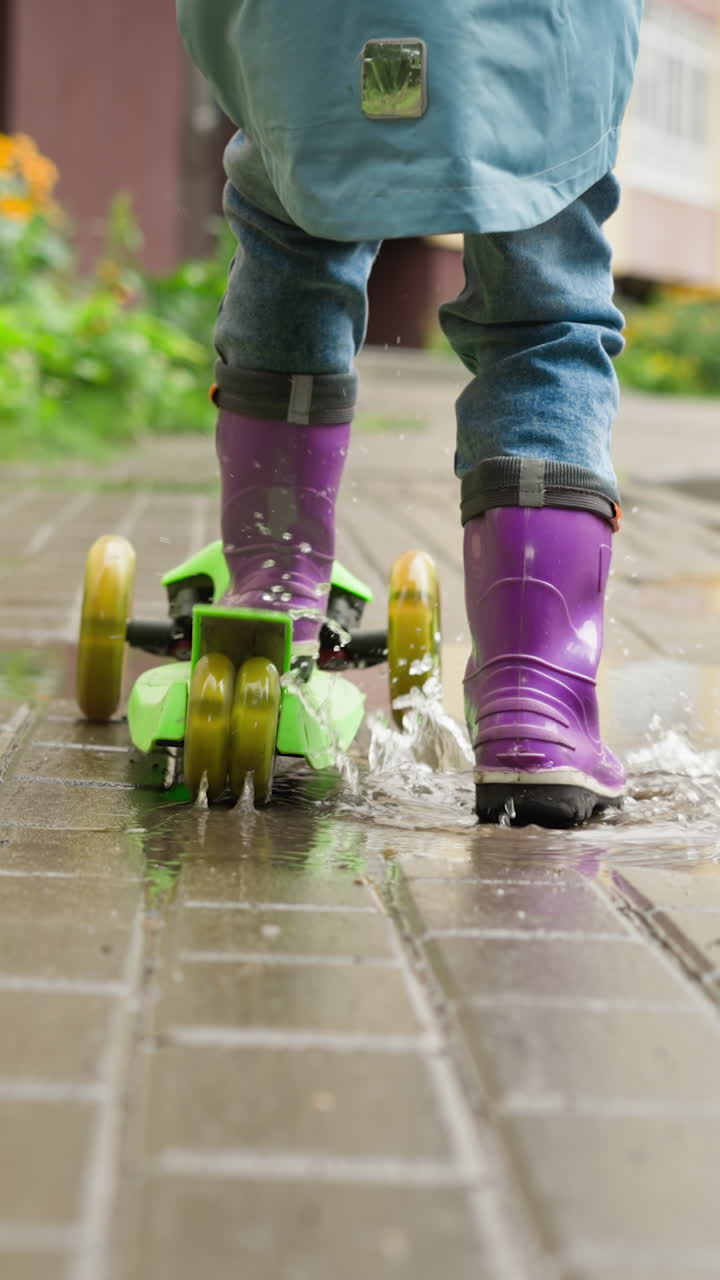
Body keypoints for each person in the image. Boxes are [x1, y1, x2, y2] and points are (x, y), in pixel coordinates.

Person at [175, 1, 643, 828]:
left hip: (318, 31)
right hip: (529, 33)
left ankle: (276, 589)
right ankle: (534, 700)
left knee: (291, 235)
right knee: (543, 303)